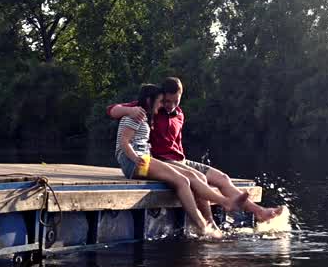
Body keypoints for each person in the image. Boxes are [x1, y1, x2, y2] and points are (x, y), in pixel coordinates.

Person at [108, 76, 283, 224]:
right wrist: (128, 110)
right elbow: (112, 110)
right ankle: (209, 223)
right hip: (163, 160)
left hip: (180, 159)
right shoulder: (152, 107)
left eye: (174, 101)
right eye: (166, 101)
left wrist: (183, 161)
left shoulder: (179, 114)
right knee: (196, 179)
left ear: (181, 95)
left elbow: (176, 142)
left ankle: (259, 211)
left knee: (222, 178)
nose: (169, 105)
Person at [114, 83, 249, 238]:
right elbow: (123, 143)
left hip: (141, 159)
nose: (161, 106)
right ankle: (208, 218)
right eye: (159, 102)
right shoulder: (135, 115)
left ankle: (209, 220)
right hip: (135, 163)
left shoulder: (144, 116)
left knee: (188, 178)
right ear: (150, 100)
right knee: (182, 181)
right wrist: (136, 158)